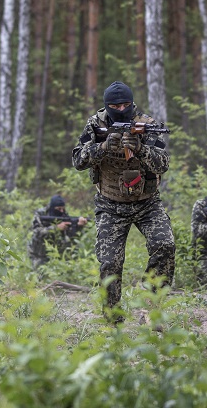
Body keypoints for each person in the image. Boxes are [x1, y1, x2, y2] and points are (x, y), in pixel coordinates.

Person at [72, 81, 175, 321]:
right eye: (115, 105)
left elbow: (163, 165)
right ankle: (112, 319)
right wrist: (103, 147)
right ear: (106, 106)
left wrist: (140, 149)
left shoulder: (146, 125)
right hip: (110, 204)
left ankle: (152, 307)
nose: (121, 108)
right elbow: (78, 160)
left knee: (165, 245)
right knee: (109, 263)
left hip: (146, 202)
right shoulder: (95, 124)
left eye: (125, 104)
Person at [28, 194, 88, 269]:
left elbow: (71, 237)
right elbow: (37, 232)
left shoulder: (63, 215)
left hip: (57, 253)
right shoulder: (41, 214)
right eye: (59, 209)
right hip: (39, 253)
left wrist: (78, 226)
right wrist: (56, 228)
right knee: (41, 277)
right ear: (52, 207)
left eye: (63, 209)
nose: (61, 211)